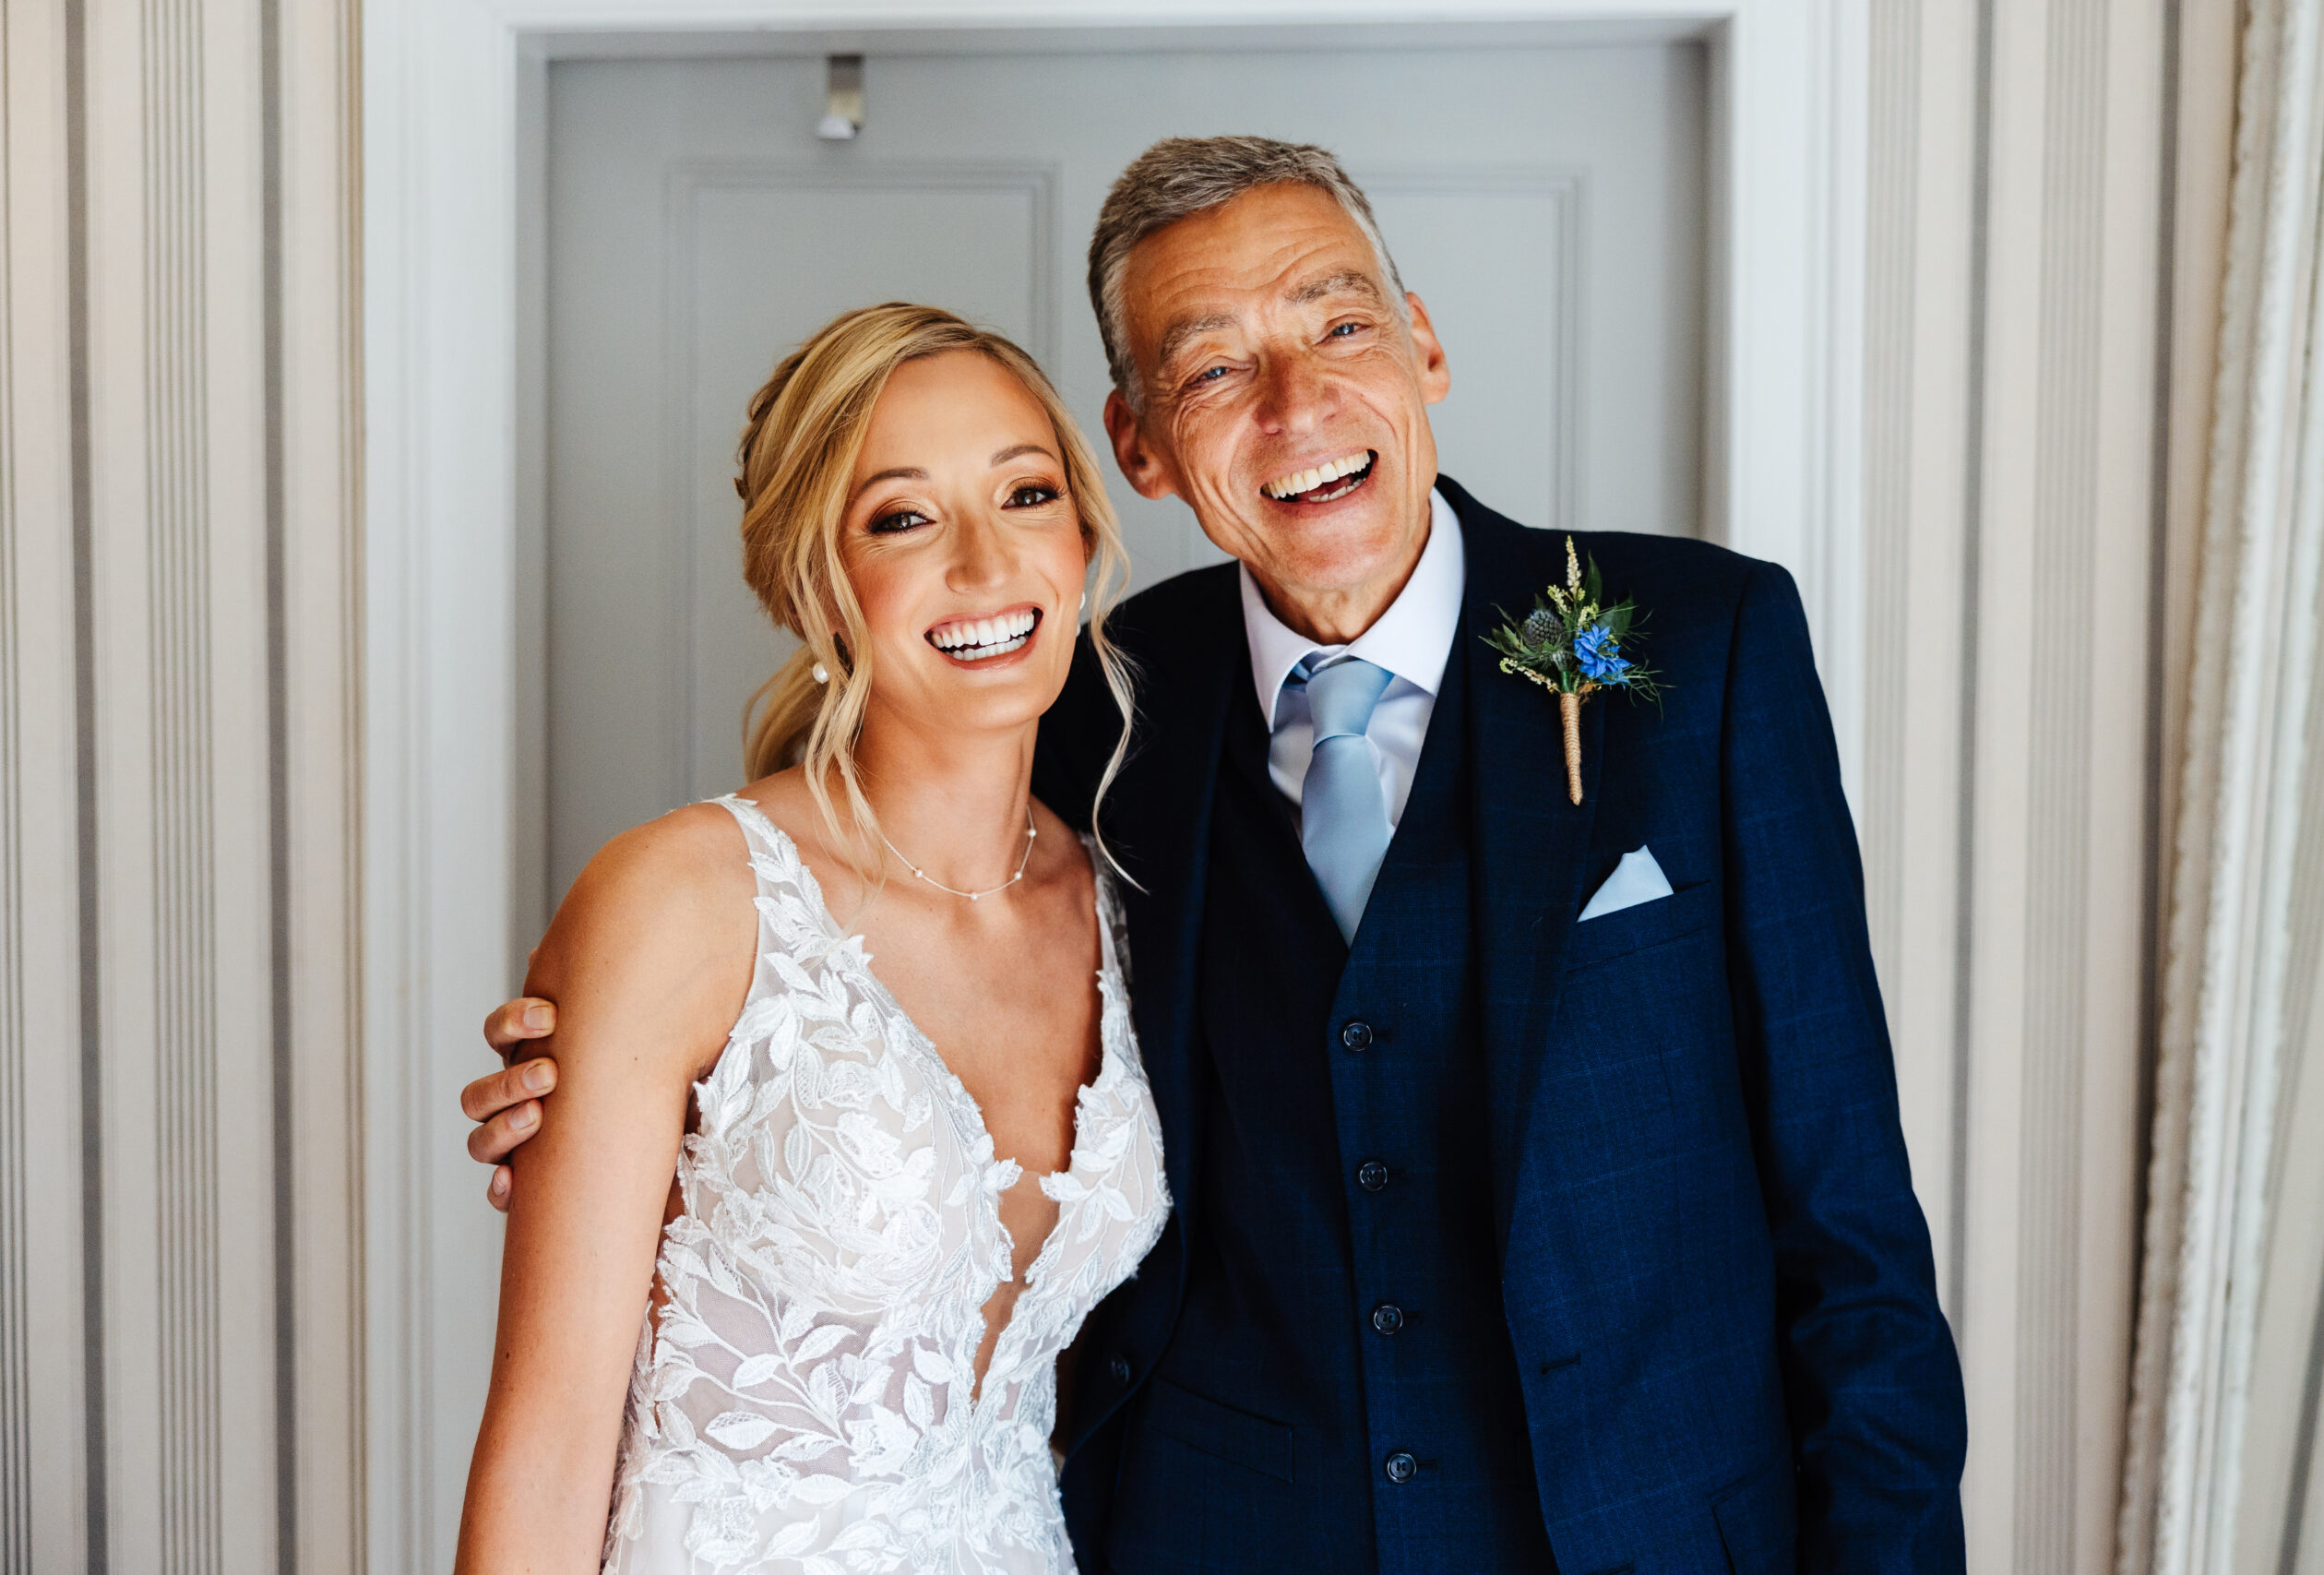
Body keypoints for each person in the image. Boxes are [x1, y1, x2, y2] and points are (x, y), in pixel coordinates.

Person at [467, 137, 1969, 1572]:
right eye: (1213, 367)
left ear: (1423, 344)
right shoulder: (1095, 702)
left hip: (1640, 1536)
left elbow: (1850, 1231)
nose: (1298, 406)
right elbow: (854, 964)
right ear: (1142, 445)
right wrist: (609, 1085)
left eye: (1339, 323)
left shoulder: (1701, 651)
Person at [453, 304, 1169, 1575]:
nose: (985, 562)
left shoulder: (1121, 897)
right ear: (810, 584)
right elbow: (550, 1441)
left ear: (1083, 532)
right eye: (903, 516)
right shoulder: (682, 902)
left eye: (1026, 493)